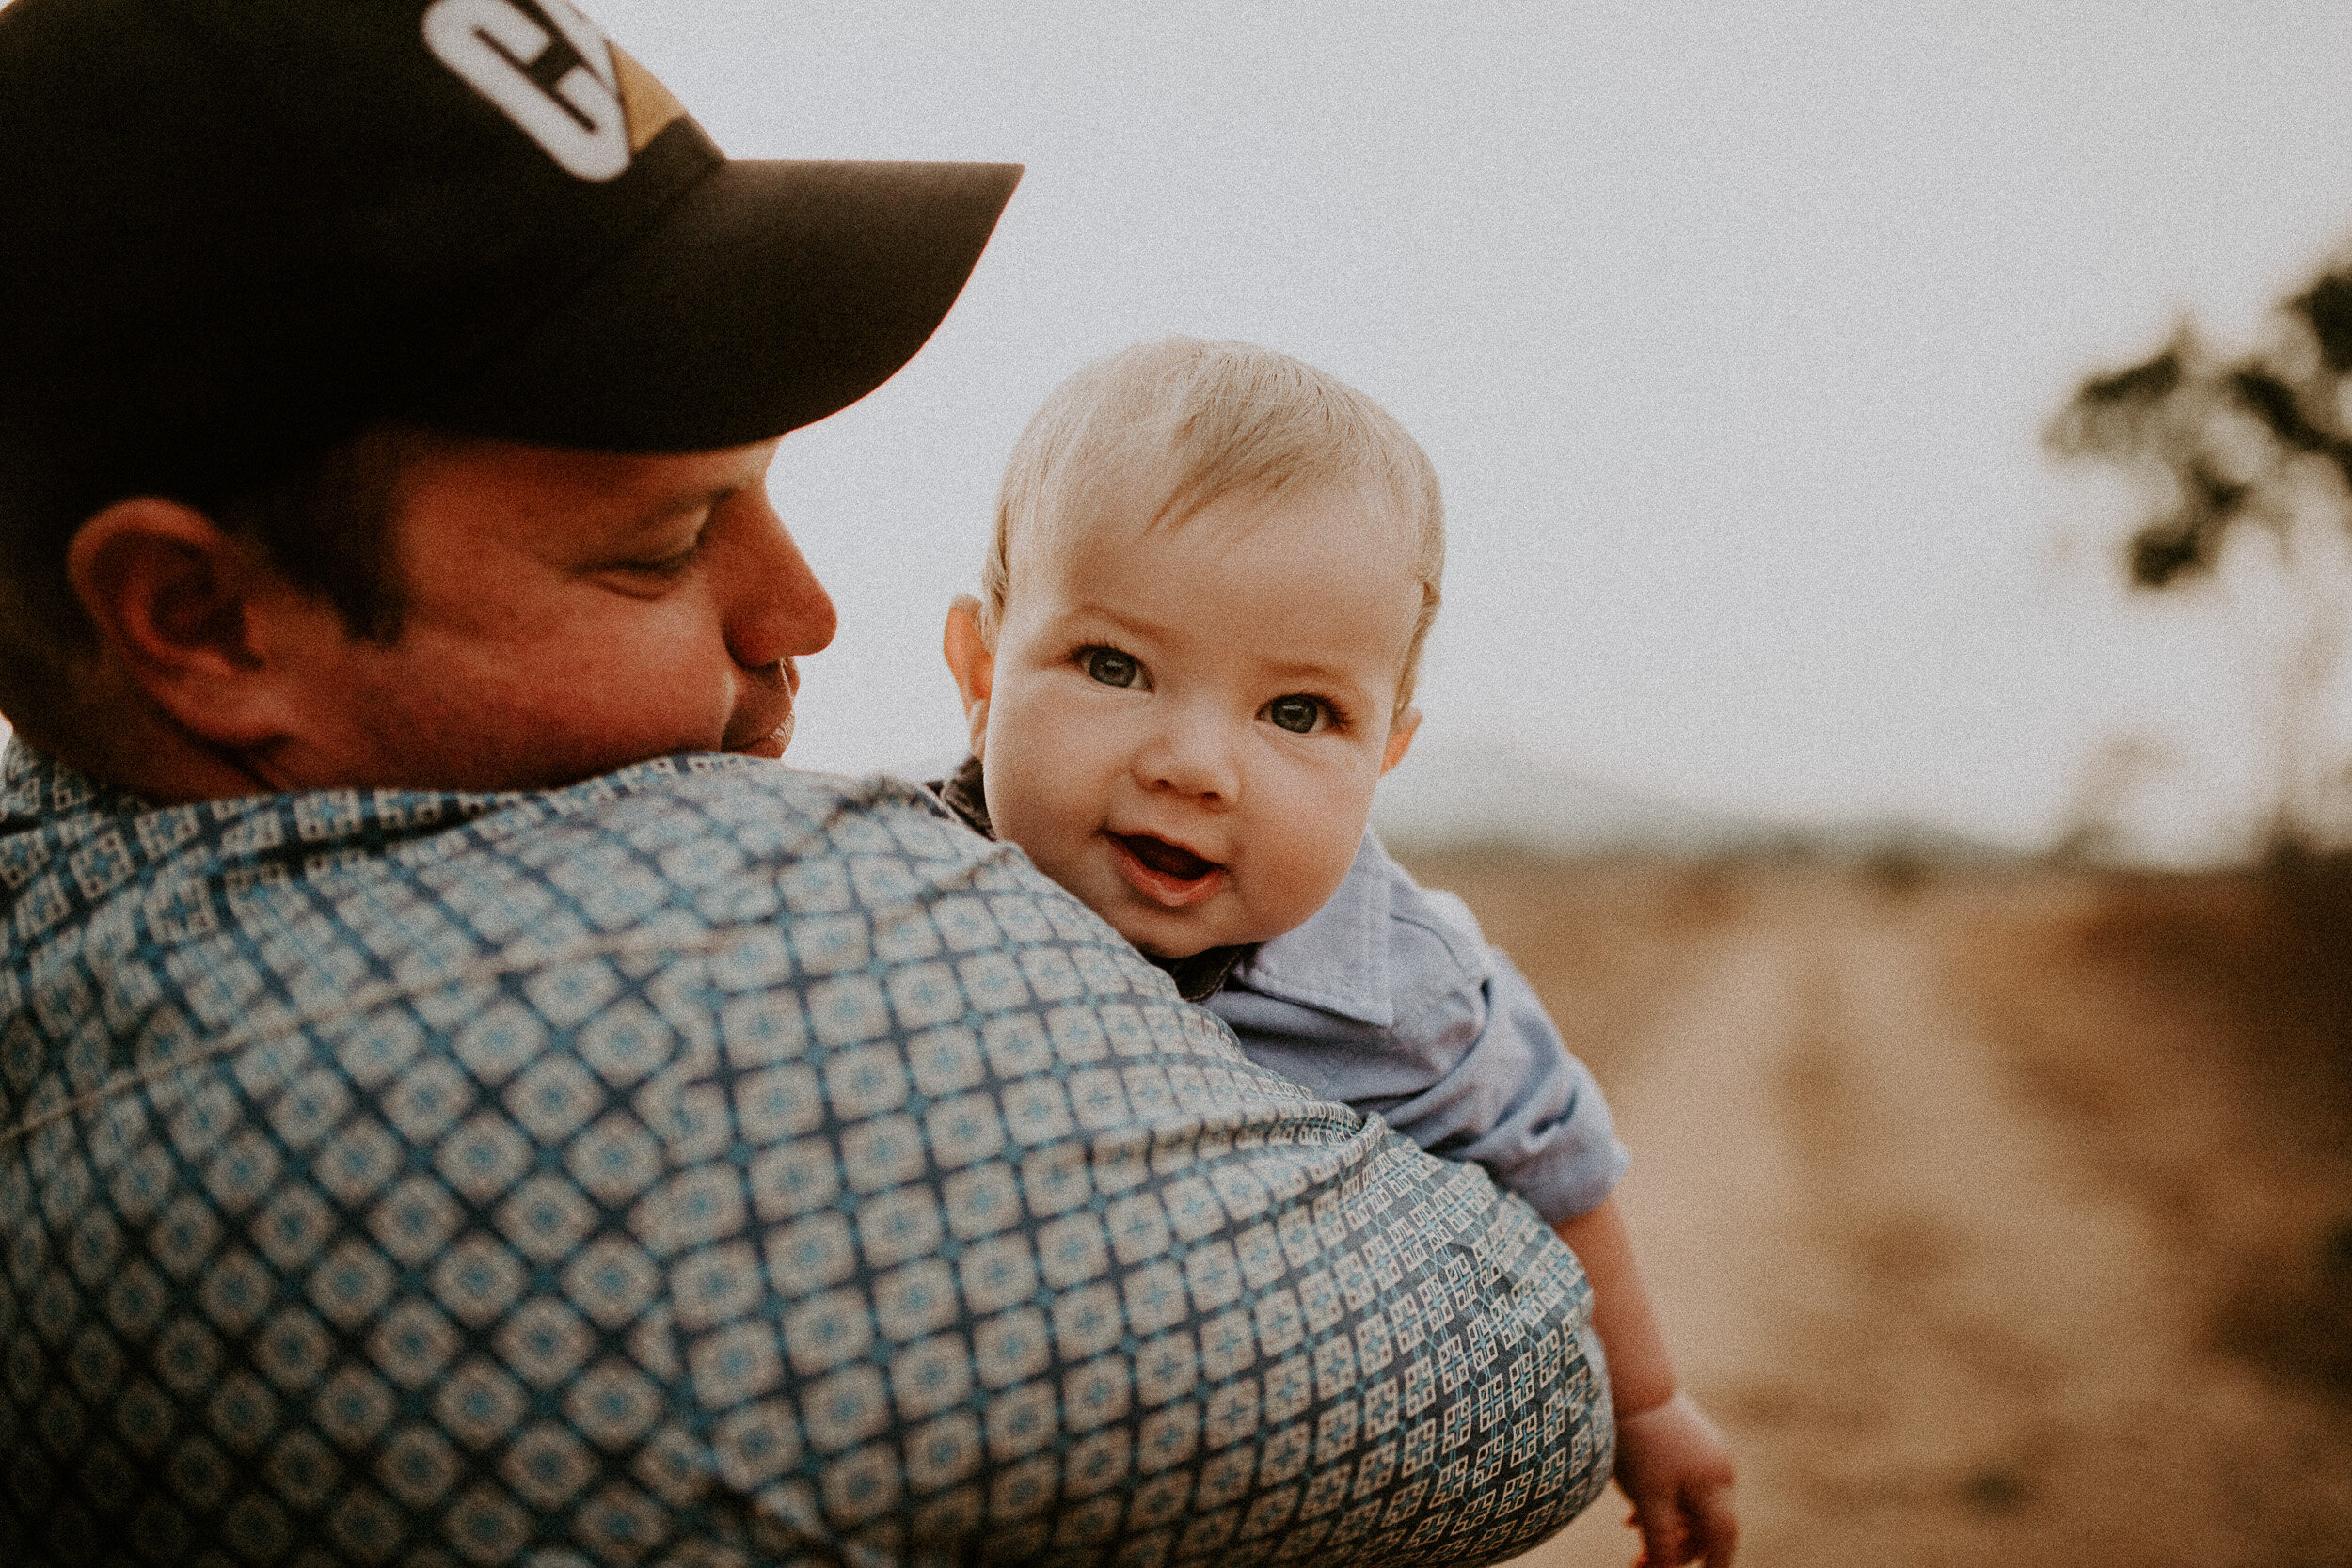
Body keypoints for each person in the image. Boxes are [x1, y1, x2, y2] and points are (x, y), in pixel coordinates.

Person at [0, 3, 1624, 1565]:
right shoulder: (752, 976)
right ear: (201, 620)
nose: (808, 614)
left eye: (765, 488)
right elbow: (1534, 1383)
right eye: (657, 548)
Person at [932, 338, 1738, 1567]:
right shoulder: (901, 893)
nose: (1195, 765)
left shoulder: (1398, 985)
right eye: (1115, 666)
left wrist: (1644, 1404)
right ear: (983, 672)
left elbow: (1557, 1158)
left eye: (1296, 712)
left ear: (1386, 756)